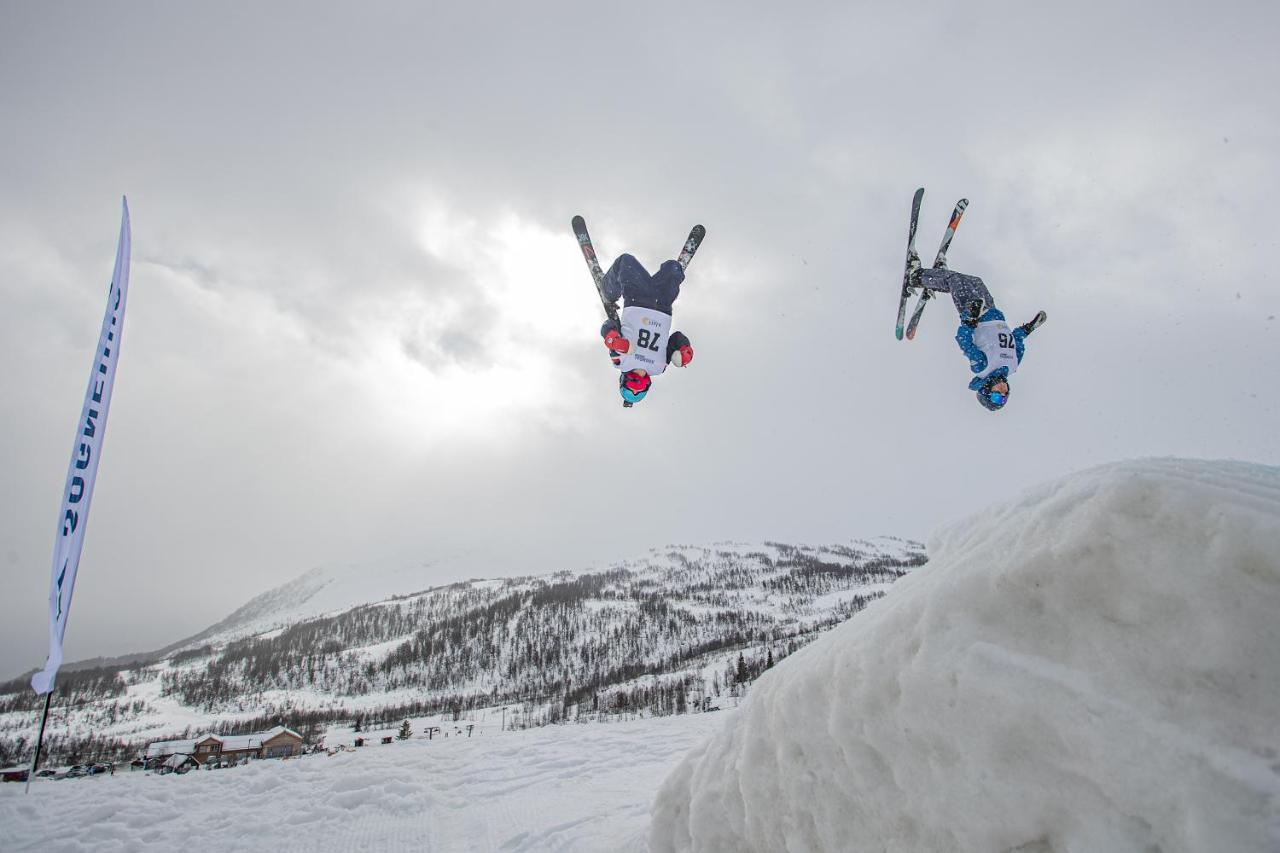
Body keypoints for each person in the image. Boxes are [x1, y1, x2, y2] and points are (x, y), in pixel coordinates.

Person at [909, 259, 1045, 411]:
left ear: (986, 391)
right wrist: (1028, 328)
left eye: (996, 396)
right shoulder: (1013, 366)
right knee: (976, 281)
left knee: (954, 281)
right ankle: (937, 277)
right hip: (993, 311)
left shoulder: (983, 367)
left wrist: (970, 320)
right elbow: (1016, 340)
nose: (1003, 391)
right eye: (1005, 395)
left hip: (976, 313)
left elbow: (965, 342)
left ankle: (915, 277)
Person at [599, 253, 694, 406]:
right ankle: (673, 272)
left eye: (630, 390)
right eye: (638, 393)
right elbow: (676, 338)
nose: (635, 389)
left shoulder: (621, 362)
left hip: (638, 298)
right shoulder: (659, 367)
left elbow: (608, 325)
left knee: (625, 261)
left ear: (623, 382)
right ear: (647, 387)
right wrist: (685, 351)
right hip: (663, 304)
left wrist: (613, 339)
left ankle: (607, 290)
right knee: (673, 269)